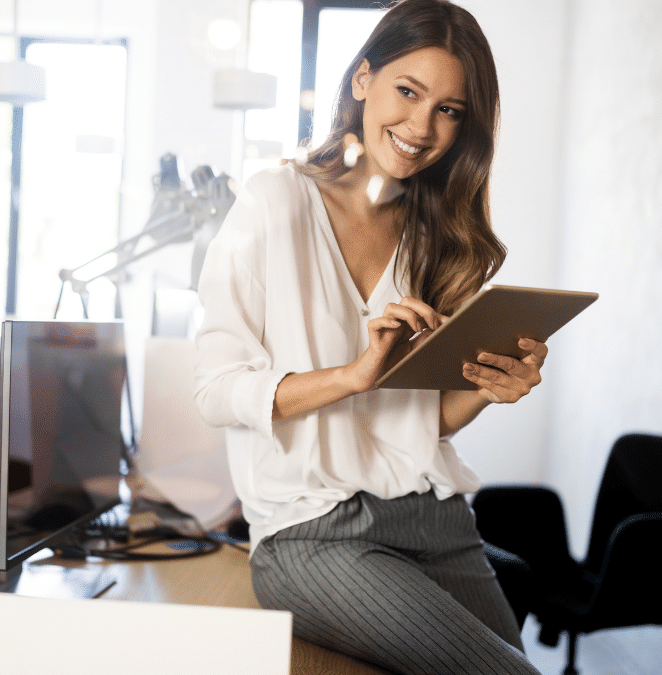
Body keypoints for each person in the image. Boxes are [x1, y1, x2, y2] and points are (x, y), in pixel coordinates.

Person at [193, 1, 545, 673]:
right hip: (312, 535)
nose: (421, 126)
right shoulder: (276, 200)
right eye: (408, 91)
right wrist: (352, 375)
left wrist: (490, 389)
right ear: (362, 81)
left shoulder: (439, 236)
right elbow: (214, 390)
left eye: (449, 110)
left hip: (438, 524)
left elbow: (422, 423)